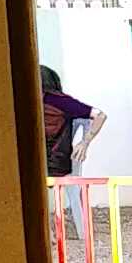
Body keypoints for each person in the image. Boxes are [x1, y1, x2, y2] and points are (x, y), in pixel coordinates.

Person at [42, 65, 107, 236]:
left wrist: (84, 142)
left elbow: (100, 115)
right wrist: (84, 142)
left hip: (45, 166)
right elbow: (100, 115)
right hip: (58, 163)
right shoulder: (62, 102)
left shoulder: (29, 101)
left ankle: (45, 232)